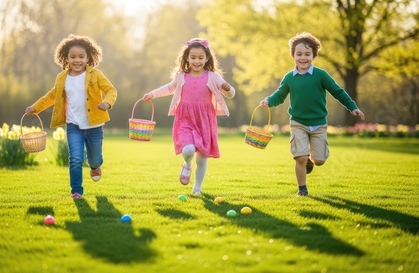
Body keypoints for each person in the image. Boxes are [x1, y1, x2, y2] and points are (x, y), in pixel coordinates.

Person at [260, 32, 365, 197]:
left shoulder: (321, 75)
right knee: (299, 158)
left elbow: (337, 91)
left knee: (320, 161)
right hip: (298, 123)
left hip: (319, 124)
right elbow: (279, 96)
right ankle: (302, 189)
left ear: (314, 56)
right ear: (293, 55)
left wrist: (352, 107)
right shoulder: (289, 78)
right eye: (299, 54)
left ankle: (311, 157)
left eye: (307, 54)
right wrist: (268, 101)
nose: (303, 58)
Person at [25, 34, 117, 199]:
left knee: (94, 160)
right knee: (75, 158)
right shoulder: (62, 78)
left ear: (88, 57)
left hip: (94, 126)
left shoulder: (96, 75)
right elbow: (51, 96)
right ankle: (76, 191)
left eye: (81, 56)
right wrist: (35, 107)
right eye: (73, 56)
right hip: (73, 125)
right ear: (65, 58)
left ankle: (95, 166)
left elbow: (111, 90)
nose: (77, 60)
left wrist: (107, 103)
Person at [142, 38, 235, 195]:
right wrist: (152, 94)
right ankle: (187, 164)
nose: (196, 61)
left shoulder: (212, 76)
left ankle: (197, 187)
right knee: (188, 150)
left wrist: (229, 89)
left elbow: (230, 94)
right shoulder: (181, 76)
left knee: (202, 157)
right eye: (193, 57)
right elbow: (169, 88)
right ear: (186, 58)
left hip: (205, 120)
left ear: (207, 58)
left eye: (200, 57)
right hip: (185, 118)